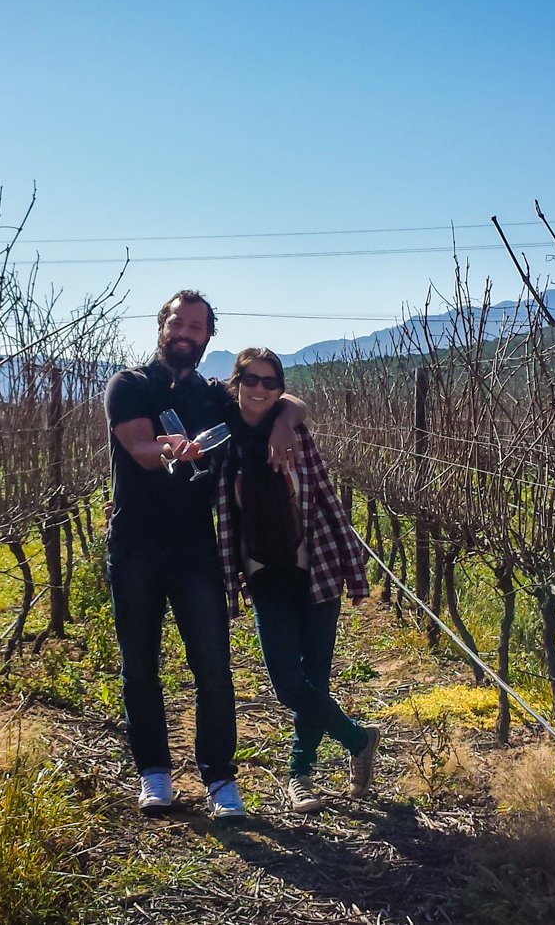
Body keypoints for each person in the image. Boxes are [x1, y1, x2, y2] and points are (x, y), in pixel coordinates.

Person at [104, 291, 308, 819]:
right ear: (161, 325)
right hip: (134, 548)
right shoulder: (129, 385)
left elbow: (281, 398)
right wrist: (170, 450)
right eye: (178, 322)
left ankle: (220, 779)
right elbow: (139, 448)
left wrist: (286, 420)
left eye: (196, 326)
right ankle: (155, 774)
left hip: (196, 548)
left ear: (207, 337)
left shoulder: (214, 396)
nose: (185, 332)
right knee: (139, 667)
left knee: (214, 668)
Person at [215, 347, 381, 813]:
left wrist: (351, 563)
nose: (260, 389)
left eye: (271, 382)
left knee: (316, 676)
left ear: (280, 387)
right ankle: (357, 738)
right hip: (263, 571)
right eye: (251, 379)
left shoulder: (296, 431)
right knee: (288, 683)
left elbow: (324, 494)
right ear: (236, 383)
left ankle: (299, 775)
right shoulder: (222, 437)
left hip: (315, 564)